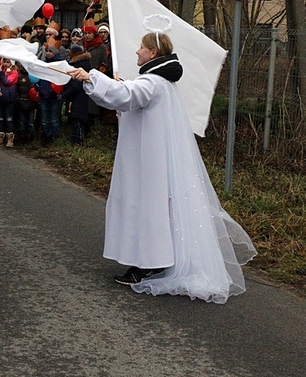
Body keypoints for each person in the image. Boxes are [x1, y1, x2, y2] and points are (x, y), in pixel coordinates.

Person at [67, 30, 257, 303]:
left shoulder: (153, 82)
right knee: (153, 206)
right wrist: (114, 83)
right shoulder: (159, 82)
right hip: (149, 156)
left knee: (148, 206)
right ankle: (154, 259)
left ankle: (151, 262)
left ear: (153, 53)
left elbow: (127, 96)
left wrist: (92, 77)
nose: (136, 51)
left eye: (141, 47)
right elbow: (131, 97)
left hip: (148, 160)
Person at [59, 43, 91, 146]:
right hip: (80, 98)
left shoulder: (79, 67)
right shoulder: (84, 65)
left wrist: (64, 95)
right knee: (77, 120)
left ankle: (78, 141)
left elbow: (75, 86)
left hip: (77, 99)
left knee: (77, 120)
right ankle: (77, 139)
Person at [0, 57, 18, 147]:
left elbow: (6, 82)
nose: (5, 64)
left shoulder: (14, 73)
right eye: (4, 62)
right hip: (0, 99)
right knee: (0, 119)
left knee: (9, 119)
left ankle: (10, 139)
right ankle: (0, 138)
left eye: (8, 62)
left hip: (9, 99)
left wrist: (1, 73)